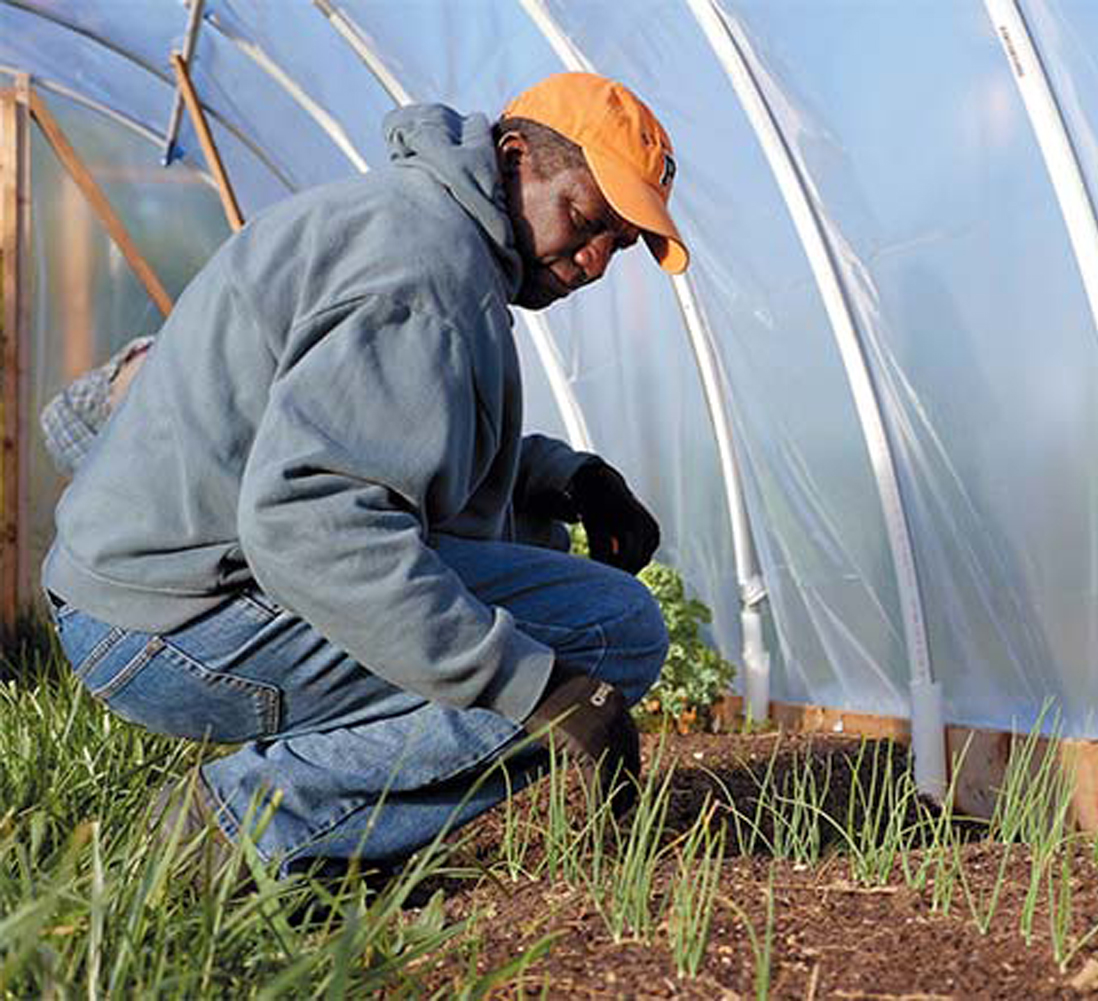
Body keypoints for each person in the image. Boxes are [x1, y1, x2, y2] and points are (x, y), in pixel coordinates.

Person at [41, 72, 687, 876]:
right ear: (515, 157)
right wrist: (534, 686)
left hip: (141, 596)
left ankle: (297, 813)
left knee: (552, 570)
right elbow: (314, 524)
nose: (594, 262)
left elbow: (395, 437)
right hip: (177, 629)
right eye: (587, 220)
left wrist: (567, 477)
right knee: (609, 631)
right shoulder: (426, 276)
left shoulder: (421, 229)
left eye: (619, 246)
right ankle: (233, 831)